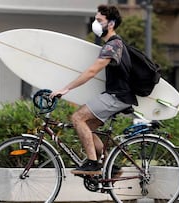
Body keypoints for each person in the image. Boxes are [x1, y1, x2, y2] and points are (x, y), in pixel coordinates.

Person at [51, 5, 137, 175]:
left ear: (110, 24)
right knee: (87, 127)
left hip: (117, 96)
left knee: (77, 117)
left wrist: (66, 89)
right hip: (118, 95)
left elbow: (92, 72)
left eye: (99, 21)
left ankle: (92, 163)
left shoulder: (112, 46)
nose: (95, 24)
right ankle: (110, 166)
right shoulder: (114, 44)